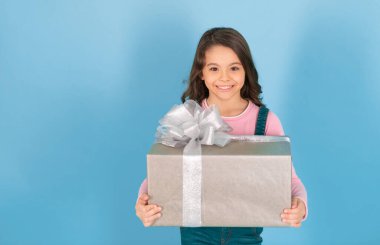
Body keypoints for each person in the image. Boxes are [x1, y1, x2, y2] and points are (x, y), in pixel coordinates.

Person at [135, 27, 308, 244]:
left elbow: (291, 180)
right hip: (196, 232)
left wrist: (299, 204)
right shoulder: (187, 119)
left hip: (246, 235)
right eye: (214, 68)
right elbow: (161, 173)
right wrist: (143, 202)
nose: (224, 78)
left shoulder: (265, 122)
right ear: (202, 73)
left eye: (234, 68)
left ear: (246, 70)